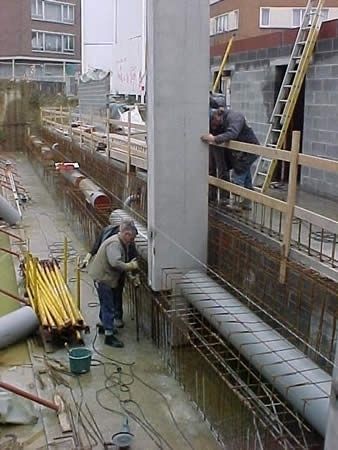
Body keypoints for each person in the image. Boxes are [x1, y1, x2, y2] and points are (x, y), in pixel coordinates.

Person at [88, 220, 139, 348]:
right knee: (108, 306)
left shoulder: (119, 241)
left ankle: (104, 326)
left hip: (104, 276)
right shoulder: (115, 244)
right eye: (131, 238)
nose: (132, 241)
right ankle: (109, 336)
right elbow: (115, 263)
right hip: (104, 278)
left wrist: (131, 273)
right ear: (126, 234)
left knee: (105, 303)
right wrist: (130, 266)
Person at [202, 108, 259, 208]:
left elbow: (233, 133)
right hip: (241, 151)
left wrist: (214, 138)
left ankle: (236, 203)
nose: (213, 126)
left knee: (238, 175)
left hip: (250, 151)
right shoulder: (222, 121)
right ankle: (247, 202)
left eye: (212, 122)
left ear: (216, 116)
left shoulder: (235, 117)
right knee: (246, 178)